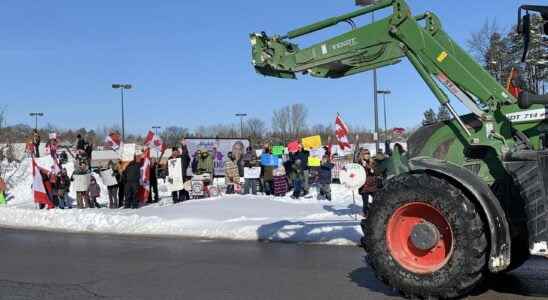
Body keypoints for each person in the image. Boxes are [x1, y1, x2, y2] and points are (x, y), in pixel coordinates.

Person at [358, 149, 377, 216]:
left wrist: (370, 167)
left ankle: (374, 211)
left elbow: (375, 170)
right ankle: (365, 213)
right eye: (366, 154)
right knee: (365, 201)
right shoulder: (359, 163)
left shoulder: (372, 161)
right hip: (364, 185)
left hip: (372, 184)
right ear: (363, 155)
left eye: (368, 153)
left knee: (376, 199)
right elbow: (356, 172)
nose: (367, 155)